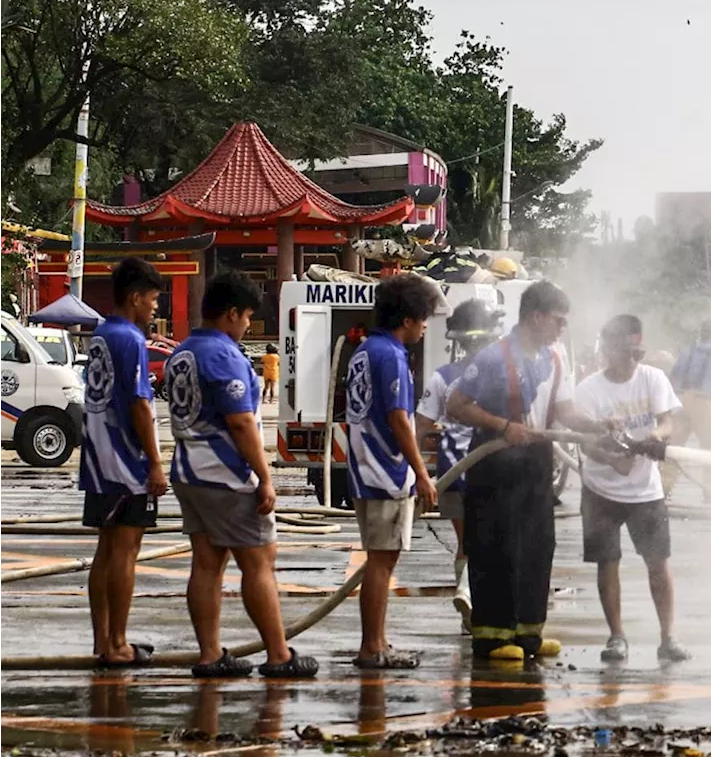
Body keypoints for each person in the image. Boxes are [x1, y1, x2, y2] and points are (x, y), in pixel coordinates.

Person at [447, 280, 618, 661]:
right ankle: (493, 637)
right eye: (558, 321)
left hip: (537, 465)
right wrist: (504, 427)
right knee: (496, 547)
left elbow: (566, 411)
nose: (562, 329)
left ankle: (529, 634)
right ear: (536, 316)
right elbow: (456, 405)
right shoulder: (494, 357)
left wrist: (596, 425)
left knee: (537, 548)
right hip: (494, 464)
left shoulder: (554, 358)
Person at [168, 270, 318, 678]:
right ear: (231, 314)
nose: (249, 325)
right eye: (248, 316)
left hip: (188, 469)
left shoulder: (183, 352)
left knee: (205, 564)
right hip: (226, 474)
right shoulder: (224, 355)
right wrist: (264, 477)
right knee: (259, 562)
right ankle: (278, 654)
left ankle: (210, 654)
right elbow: (241, 423)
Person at [575, 315, 691, 663]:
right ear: (608, 349)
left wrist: (658, 435)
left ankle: (668, 637)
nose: (630, 359)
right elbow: (584, 442)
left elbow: (668, 420)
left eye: (634, 352)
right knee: (607, 564)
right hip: (600, 491)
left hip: (646, 492)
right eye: (623, 352)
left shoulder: (653, 378)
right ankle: (617, 637)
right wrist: (611, 460)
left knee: (659, 564)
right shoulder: (589, 390)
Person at [346, 273, 442, 669]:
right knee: (382, 563)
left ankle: (378, 643)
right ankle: (373, 647)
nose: (424, 327)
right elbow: (399, 419)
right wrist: (422, 472)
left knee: (379, 560)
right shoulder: (392, 357)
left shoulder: (365, 350)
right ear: (408, 319)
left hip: (364, 468)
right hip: (385, 471)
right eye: (423, 320)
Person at [80, 257, 168, 667]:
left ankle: (103, 639)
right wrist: (155, 461)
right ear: (134, 297)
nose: (155, 308)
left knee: (106, 548)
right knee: (125, 549)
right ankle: (117, 643)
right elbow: (139, 404)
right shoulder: (130, 340)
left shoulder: (101, 334)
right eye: (152, 300)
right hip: (124, 459)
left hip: (97, 456)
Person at [416, 297, 504, 634]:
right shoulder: (500, 376)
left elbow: (421, 425)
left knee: (467, 541)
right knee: (487, 539)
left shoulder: (443, 376)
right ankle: (471, 600)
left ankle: (470, 610)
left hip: (452, 471)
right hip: (486, 471)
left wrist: (418, 470)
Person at [665, 321, 711, 498]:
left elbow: (673, 376)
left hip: (680, 401)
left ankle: (662, 490)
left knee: (672, 448)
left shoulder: (686, 352)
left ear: (700, 334)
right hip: (703, 402)